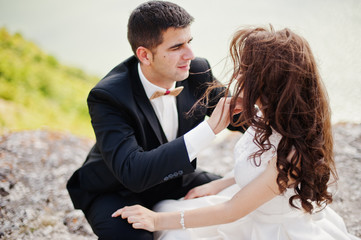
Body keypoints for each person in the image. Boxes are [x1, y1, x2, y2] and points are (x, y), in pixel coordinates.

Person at [112, 26, 361, 240]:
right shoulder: (268, 115)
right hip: (248, 207)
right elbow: (259, 163)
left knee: (169, 223)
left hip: (269, 227)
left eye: (245, 71)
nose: (237, 76)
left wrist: (156, 221)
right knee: (169, 209)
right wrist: (222, 183)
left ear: (271, 82)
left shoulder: (292, 152)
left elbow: (232, 210)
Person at [66, 1, 243, 239]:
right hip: (117, 190)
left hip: (176, 180)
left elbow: (240, 117)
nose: (189, 54)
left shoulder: (197, 71)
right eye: (176, 47)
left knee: (244, 196)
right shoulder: (108, 96)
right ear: (145, 55)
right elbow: (133, 172)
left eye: (189, 42)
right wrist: (209, 130)